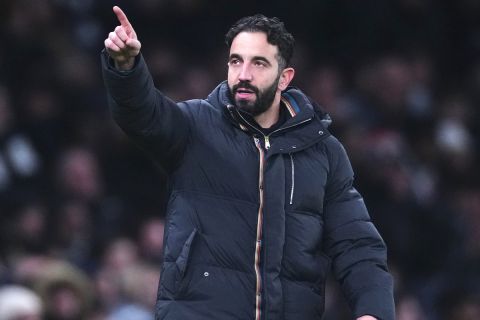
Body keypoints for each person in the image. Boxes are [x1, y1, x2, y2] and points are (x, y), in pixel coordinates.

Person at [102, 6, 395, 320]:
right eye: (235, 61)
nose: (243, 74)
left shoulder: (324, 153)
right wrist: (126, 66)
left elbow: (357, 244)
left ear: (284, 78)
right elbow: (143, 115)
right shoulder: (196, 125)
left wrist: (373, 312)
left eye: (258, 63)